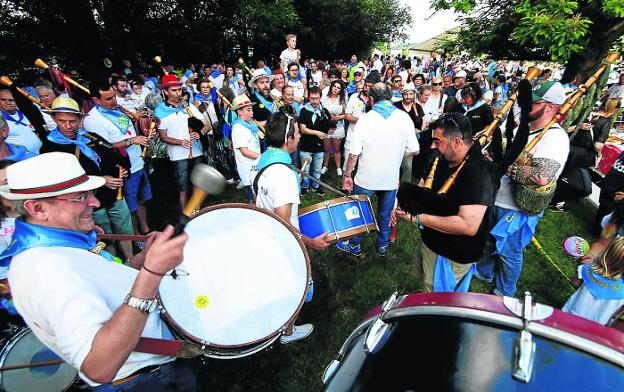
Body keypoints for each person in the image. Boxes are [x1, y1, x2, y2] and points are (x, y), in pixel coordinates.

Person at [1, 152, 195, 389]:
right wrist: (151, 273)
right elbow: (99, 366)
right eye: (81, 197)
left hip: (152, 368)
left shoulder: (58, 247)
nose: (95, 202)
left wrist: (141, 261)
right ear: (38, 208)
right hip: (140, 382)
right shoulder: (44, 269)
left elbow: (98, 285)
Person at [476, 81, 569, 296]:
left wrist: (503, 165)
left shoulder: (554, 137)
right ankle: (484, 272)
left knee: (510, 253)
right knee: (488, 240)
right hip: (496, 197)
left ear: (550, 107)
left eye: (533, 104)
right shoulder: (520, 128)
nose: (525, 107)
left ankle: (504, 292)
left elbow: (543, 176)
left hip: (517, 208)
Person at [394, 113, 497, 292]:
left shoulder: (481, 173)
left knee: (436, 299)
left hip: (451, 254)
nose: (433, 146)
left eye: (437, 141)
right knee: (425, 283)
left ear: (456, 142)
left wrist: (418, 218)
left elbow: (467, 225)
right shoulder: (443, 158)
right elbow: (426, 192)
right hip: (432, 240)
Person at [254, 111, 330, 343]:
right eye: (296, 134)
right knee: (292, 286)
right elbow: (284, 224)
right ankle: (287, 331)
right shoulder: (285, 175)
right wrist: (311, 243)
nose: (298, 137)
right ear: (289, 140)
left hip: (264, 232)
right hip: (281, 240)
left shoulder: (263, 158)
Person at [41, 97, 134, 261]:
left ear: (79, 119)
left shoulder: (90, 136)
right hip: (86, 202)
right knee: (104, 238)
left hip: (113, 194)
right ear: (54, 118)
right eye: (62, 121)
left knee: (125, 232)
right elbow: (60, 180)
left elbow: (112, 154)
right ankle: (111, 266)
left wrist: (121, 168)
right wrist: (101, 179)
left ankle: (132, 262)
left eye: (72, 121)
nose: (68, 126)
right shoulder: (50, 147)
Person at [340, 82, 419, 257]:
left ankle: (355, 245)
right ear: (390, 97)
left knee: (359, 213)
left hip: (366, 179)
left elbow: (353, 154)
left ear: (371, 99)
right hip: (390, 179)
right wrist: (397, 155)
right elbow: (415, 149)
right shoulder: (404, 118)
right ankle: (382, 245)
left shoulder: (365, 120)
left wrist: (347, 175)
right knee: (384, 214)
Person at [84, 81, 153, 235]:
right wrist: (131, 141)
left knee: (142, 200)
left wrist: (142, 130)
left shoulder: (117, 110)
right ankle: (137, 238)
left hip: (138, 162)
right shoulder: (93, 120)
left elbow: (128, 132)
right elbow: (104, 148)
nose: (114, 101)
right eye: (108, 99)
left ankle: (145, 228)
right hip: (123, 169)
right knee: (130, 207)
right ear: (96, 100)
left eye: (114, 96)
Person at [153, 74, 209, 211]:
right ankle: (185, 215)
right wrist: (180, 142)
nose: (178, 93)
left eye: (179, 89)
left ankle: (198, 211)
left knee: (198, 183)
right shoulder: (160, 111)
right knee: (182, 187)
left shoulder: (188, 106)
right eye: (174, 90)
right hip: (178, 155)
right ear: (165, 91)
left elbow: (207, 125)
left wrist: (200, 132)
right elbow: (163, 137)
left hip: (197, 151)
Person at [563, 236, 624, 325]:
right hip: (595, 330)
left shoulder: (588, 268)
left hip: (568, 318)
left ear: (607, 252)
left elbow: (575, 282)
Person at [343, 70, 378, 174]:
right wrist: (362, 120)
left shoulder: (377, 101)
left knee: (365, 165)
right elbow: (347, 115)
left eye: (370, 86)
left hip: (369, 138)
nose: (367, 88)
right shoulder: (354, 97)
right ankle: (345, 185)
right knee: (348, 162)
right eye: (366, 85)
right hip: (352, 135)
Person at [299, 87, 331, 196]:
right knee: (306, 170)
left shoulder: (324, 111)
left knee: (317, 169)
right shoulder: (303, 110)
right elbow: (303, 129)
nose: (314, 101)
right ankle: (305, 186)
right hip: (305, 145)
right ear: (309, 98)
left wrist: (330, 130)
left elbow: (328, 126)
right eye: (312, 98)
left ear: (320, 98)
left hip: (319, 146)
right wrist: (317, 133)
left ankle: (316, 185)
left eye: (317, 98)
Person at [231, 95, 261, 202]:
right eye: (248, 110)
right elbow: (244, 151)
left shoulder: (248, 125)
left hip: (255, 166)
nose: (252, 112)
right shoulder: (238, 128)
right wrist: (263, 157)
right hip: (248, 169)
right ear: (239, 112)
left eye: (251, 109)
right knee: (254, 197)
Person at [394, 83, 423, 184]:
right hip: (396, 139)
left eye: (411, 94)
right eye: (406, 94)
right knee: (394, 163)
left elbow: (421, 126)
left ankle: (404, 188)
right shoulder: (395, 106)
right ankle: (391, 183)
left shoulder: (417, 107)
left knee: (407, 166)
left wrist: (415, 131)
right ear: (402, 95)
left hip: (410, 140)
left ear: (414, 94)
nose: (408, 97)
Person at [0, 88, 42, 153]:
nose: (8, 103)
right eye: (3, 100)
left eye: (11, 100)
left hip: (37, 155)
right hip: (18, 160)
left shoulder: (24, 114)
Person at [320, 80, 347, 176]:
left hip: (338, 127)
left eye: (338, 88)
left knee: (336, 149)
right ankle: (325, 166)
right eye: (334, 86)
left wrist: (339, 117)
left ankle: (338, 167)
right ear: (331, 87)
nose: (335, 89)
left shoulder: (342, 100)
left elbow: (346, 114)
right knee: (326, 149)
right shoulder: (324, 98)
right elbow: (320, 110)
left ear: (340, 90)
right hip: (326, 126)